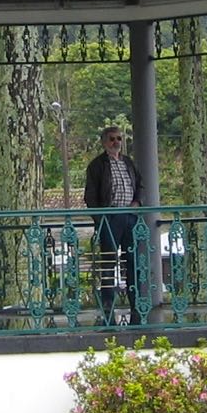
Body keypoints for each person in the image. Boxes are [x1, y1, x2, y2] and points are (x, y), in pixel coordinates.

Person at [83, 126, 144, 323]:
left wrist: (137, 202)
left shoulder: (128, 162)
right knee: (109, 262)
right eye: (112, 139)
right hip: (110, 218)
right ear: (104, 142)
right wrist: (101, 219)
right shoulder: (97, 166)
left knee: (132, 262)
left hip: (129, 216)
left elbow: (140, 184)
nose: (116, 142)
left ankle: (136, 305)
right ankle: (108, 307)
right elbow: (90, 196)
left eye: (119, 138)